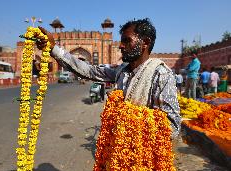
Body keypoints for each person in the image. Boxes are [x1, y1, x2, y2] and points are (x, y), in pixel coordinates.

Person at [35, 18, 181, 139]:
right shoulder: (121, 71)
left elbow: (172, 127)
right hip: (118, 155)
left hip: (144, 164)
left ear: (145, 43)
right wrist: (53, 48)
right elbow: (89, 71)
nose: (121, 46)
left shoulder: (160, 74)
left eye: (127, 40)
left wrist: (128, 117)